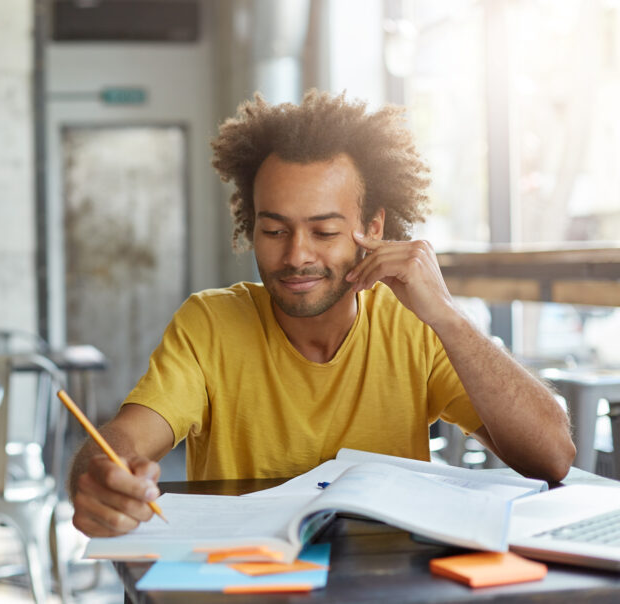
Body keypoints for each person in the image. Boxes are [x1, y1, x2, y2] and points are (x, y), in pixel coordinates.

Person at [68, 90, 576, 538]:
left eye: (325, 232)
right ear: (251, 227)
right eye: (274, 231)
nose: (296, 255)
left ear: (373, 228)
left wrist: (447, 316)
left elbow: (553, 455)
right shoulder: (210, 325)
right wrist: (100, 477)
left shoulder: (415, 326)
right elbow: (125, 439)